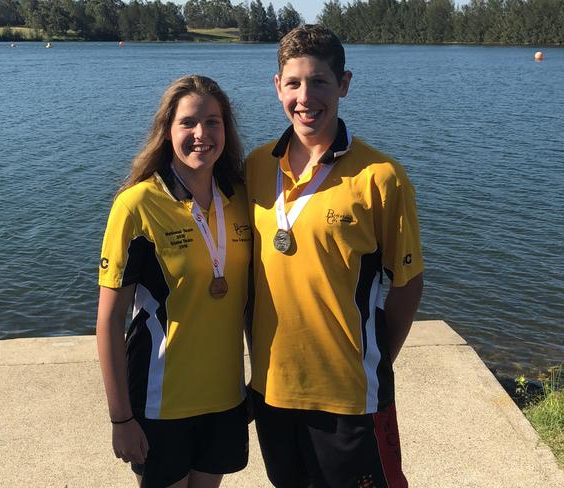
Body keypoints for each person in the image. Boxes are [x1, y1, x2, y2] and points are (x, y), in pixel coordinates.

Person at [244, 25, 424, 488]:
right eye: (294, 83)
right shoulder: (255, 166)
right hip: (272, 390)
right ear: (277, 86)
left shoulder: (381, 177)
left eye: (320, 82)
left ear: (344, 83)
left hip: (350, 395)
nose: (306, 97)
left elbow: (406, 284)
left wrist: (377, 359)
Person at [96, 75, 251, 488]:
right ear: (167, 130)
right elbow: (109, 321)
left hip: (225, 397)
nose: (202, 134)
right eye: (189, 123)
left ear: (226, 129)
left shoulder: (240, 198)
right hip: (158, 399)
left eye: (213, 122)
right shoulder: (137, 205)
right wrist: (121, 417)